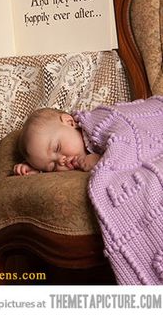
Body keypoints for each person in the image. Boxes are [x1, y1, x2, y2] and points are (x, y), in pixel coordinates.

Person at [13, 95, 163, 287]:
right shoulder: (74, 153)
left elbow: (127, 135)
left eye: (58, 147)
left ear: (69, 122)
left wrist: (103, 159)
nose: (61, 160)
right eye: (51, 166)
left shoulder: (100, 121)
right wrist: (37, 171)